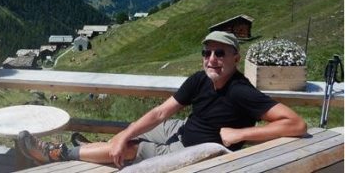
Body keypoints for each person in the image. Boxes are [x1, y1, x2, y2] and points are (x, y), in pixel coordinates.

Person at [17, 31, 307, 168]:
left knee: (131, 148)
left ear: (235, 57)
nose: (212, 59)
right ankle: (102, 147)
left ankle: (56, 153)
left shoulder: (241, 90)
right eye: (207, 53)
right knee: (133, 130)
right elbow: (160, 113)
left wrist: (243, 133)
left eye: (220, 53)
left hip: (196, 148)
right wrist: (128, 132)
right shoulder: (200, 78)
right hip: (180, 129)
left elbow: (295, 124)